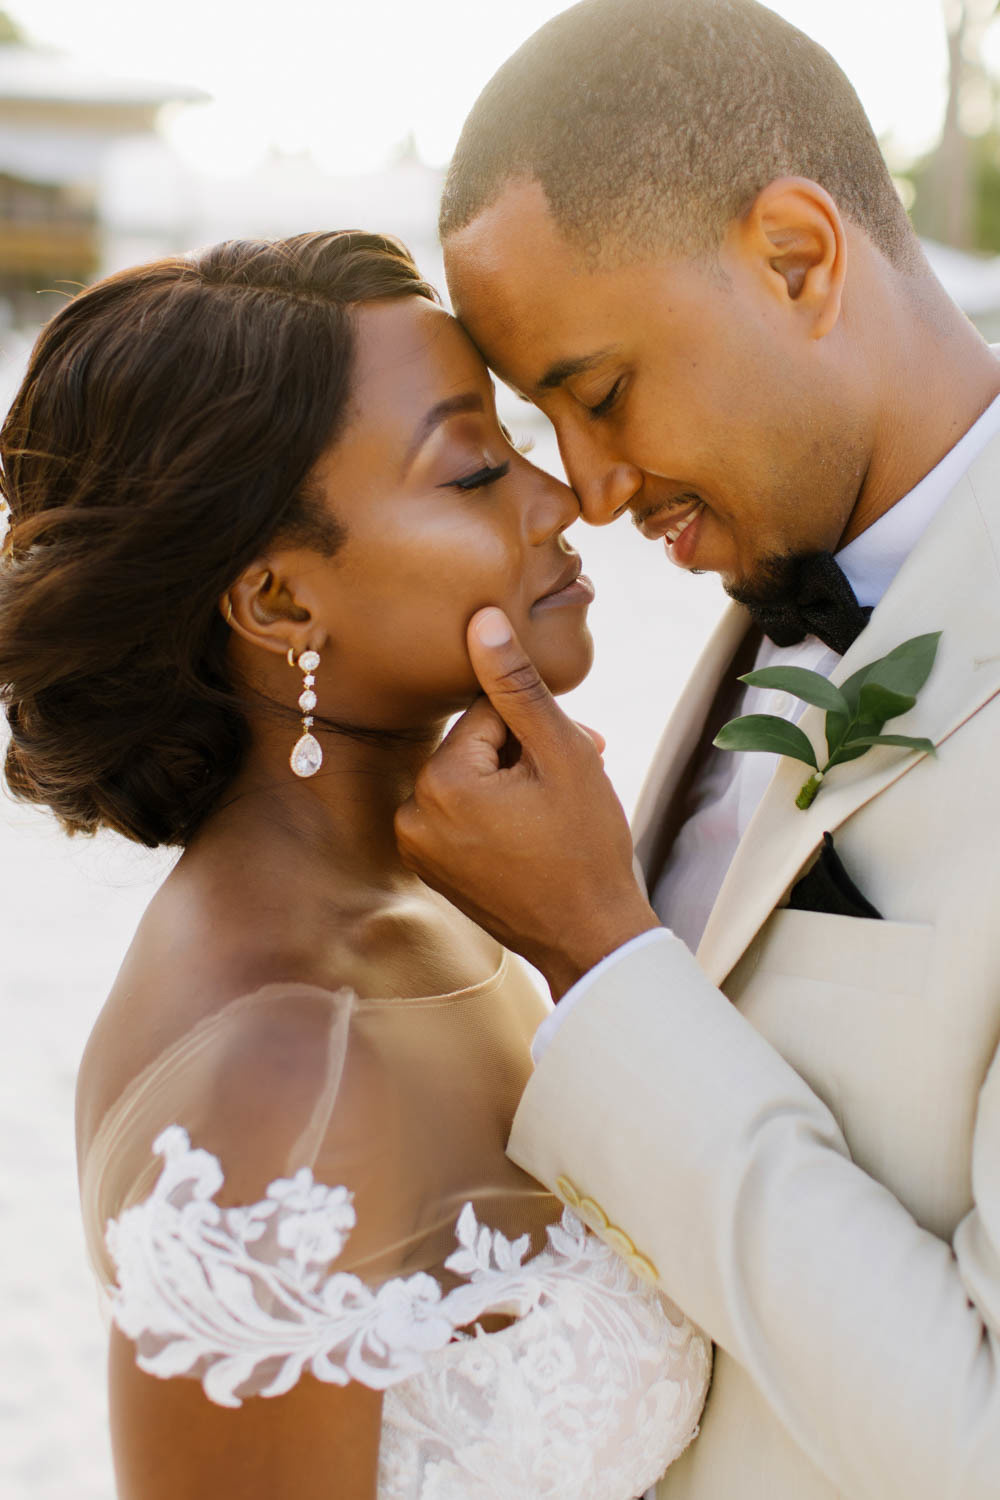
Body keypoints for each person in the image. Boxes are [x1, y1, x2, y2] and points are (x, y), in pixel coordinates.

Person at [392, 2, 1000, 1498]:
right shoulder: (768, 582)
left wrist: (602, 954)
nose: (589, 489)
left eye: (599, 395)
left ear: (797, 259)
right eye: (541, 420)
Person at [0, 231, 710, 1499]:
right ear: (277, 604)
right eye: (477, 467)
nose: (561, 500)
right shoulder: (278, 1078)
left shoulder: (464, 900)